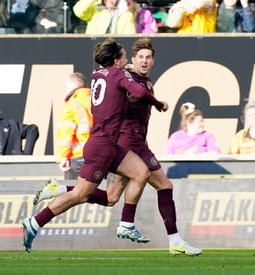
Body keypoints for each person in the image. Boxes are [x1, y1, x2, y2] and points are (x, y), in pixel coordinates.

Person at [33, 38, 202, 256]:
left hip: (139, 143)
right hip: (124, 144)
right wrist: (155, 101)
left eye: (148, 57)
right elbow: (121, 90)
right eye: (140, 57)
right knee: (157, 186)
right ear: (131, 59)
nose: (144, 60)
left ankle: (61, 190)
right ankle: (163, 237)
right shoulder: (126, 75)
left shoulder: (146, 81)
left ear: (153, 60)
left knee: (113, 197)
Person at [57, 72, 92, 180]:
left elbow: (65, 134)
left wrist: (63, 157)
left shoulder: (71, 105)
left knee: (73, 194)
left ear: (70, 87)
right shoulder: (97, 101)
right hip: (100, 156)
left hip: (79, 157)